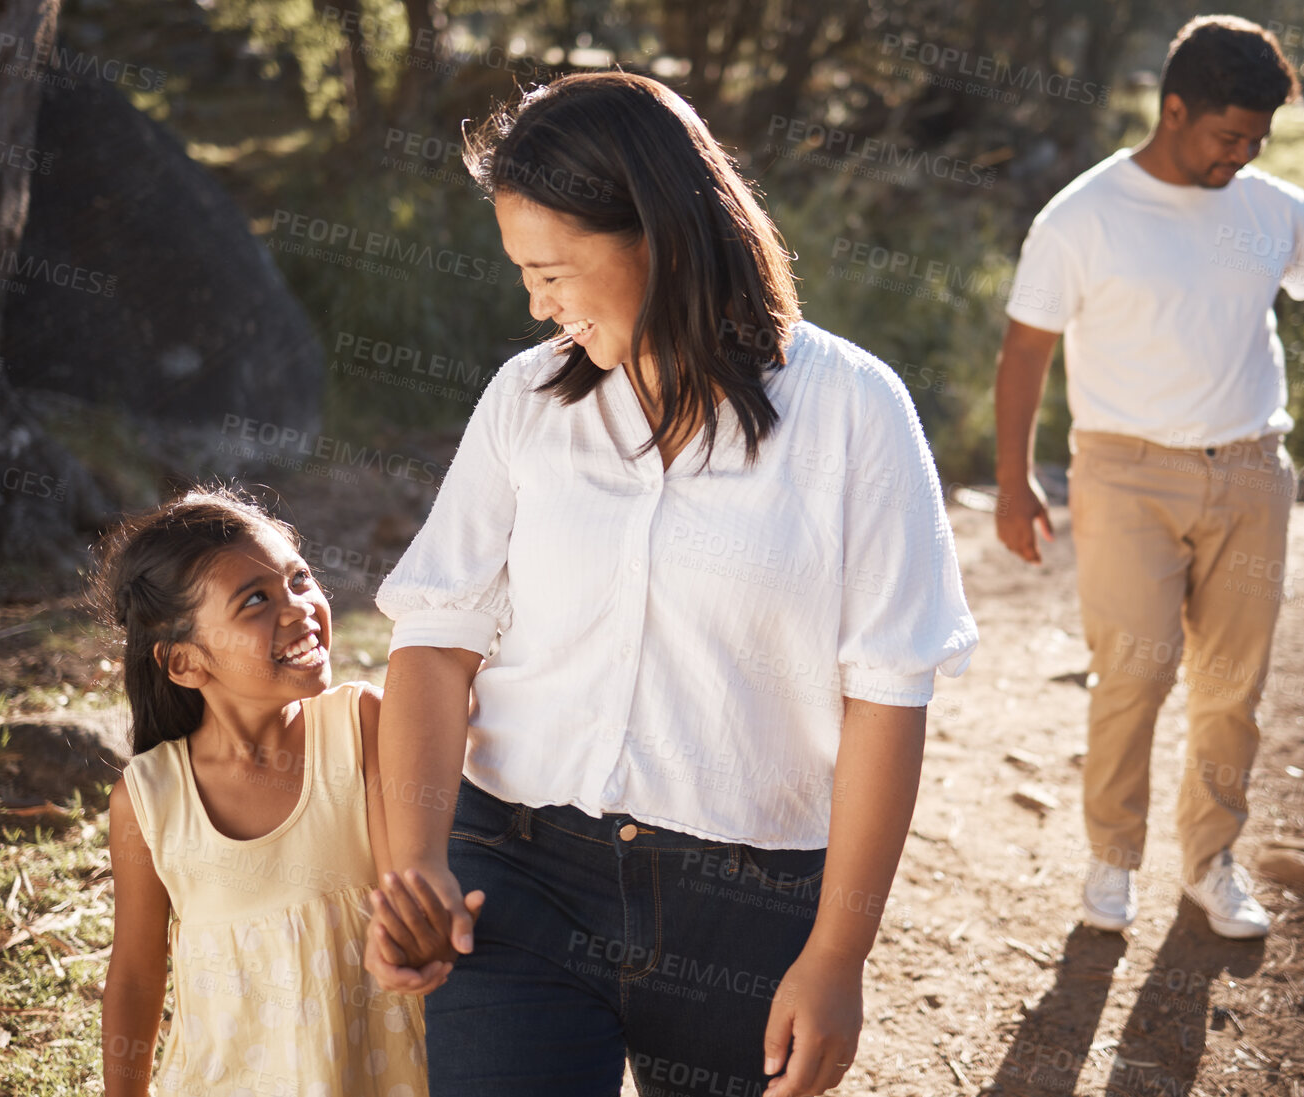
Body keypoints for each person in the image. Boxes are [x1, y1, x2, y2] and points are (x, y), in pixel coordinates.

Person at [362, 72, 978, 1097]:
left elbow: (888, 694)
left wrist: (838, 954)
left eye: (552, 270)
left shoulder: (857, 412)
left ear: (657, 229)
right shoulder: (525, 400)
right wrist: (417, 857)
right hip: (515, 877)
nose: (537, 302)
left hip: (748, 906)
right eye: (524, 274)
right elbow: (437, 634)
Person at [992, 13, 1304, 939]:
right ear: (1173, 109)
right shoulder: (1081, 216)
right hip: (1123, 471)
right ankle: (1110, 860)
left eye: (1256, 139)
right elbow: (1024, 355)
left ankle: (1210, 861)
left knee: (1230, 684)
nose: (1241, 155)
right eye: (1227, 136)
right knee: (1132, 673)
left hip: (1252, 470)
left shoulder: (1270, 206)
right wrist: (1015, 485)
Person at [97, 488, 435, 1095]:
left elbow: (401, 891)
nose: (298, 607)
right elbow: (135, 975)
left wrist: (419, 941)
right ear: (184, 663)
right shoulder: (149, 799)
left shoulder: (361, 729)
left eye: (300, 578)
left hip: (378, 1076)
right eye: (255, 600)